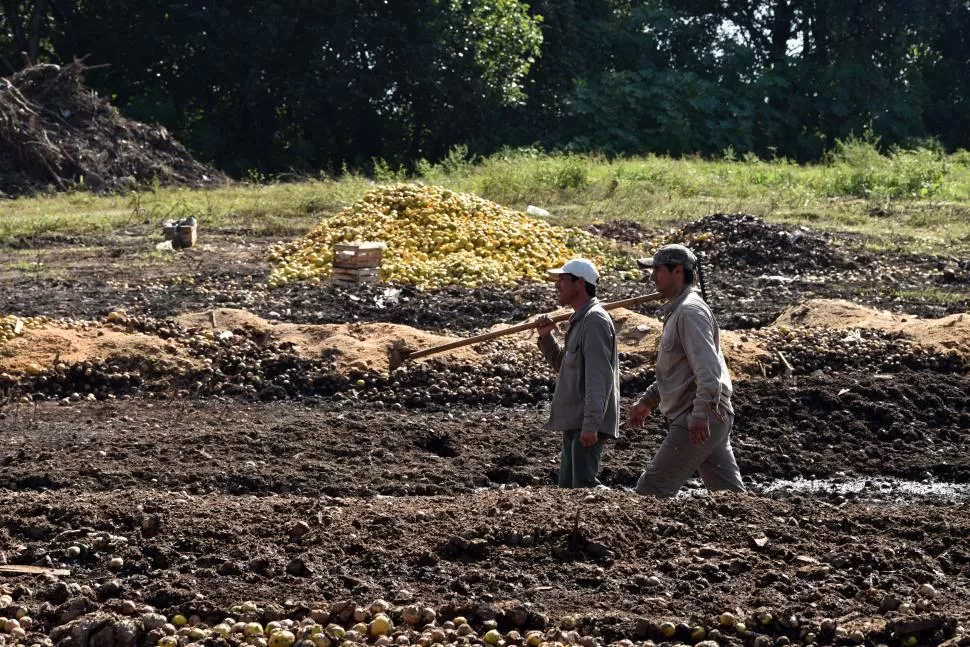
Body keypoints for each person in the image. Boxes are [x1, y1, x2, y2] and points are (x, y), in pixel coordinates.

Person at [628, 244, 744, 497]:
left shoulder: (689, 312)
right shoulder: (679, 310)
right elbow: (677, 371)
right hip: (708, 415)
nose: (652, 277)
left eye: (658, 270)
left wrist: (700, 414)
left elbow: (709, 371)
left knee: (651, 490)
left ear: (678, 271)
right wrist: (648, 401)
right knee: (729, 496)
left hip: (698, 415)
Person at [536, 258, 620, 488]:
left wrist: (591, 423)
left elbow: (599, 376)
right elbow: (566, 366)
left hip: (586, 421)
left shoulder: (594, 321)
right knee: (568, 490)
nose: (557, 285)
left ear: (580, 283)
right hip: (576, 421)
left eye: (562, 279)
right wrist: (546, 337)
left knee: (583, 488)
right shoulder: (580, 320)